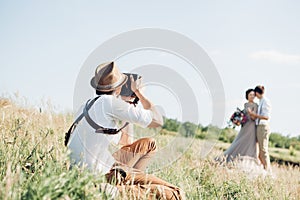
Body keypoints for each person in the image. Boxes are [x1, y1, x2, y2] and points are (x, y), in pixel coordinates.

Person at [67, 62, 185, 199]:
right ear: (117, 89)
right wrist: (139, 93)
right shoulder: (111, 104)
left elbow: (125, 142)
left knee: (149, 144)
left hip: (92, 170)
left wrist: (128, 104)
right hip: (98, 179)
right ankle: (124, 190)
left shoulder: (86, 105)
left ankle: (131, 187)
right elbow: (158, 120)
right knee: (176, 194)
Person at [221, 89, 258, 162]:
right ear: (247, 96)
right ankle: (232, 158)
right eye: (250, 95)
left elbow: (254, 118)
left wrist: (250, 113)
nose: (252, 96)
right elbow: (243, 115)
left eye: (253, 95)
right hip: (244, 125)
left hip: (251, 126)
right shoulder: (245, 104)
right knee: (239, 140)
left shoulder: (255, 105)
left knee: (249, 142)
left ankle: (247, 159)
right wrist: (237, 119)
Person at [248, 85, 272, 171]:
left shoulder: (265, 101)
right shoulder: (261, 101)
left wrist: (254, 115)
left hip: (263, 126)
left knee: (263, 150)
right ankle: (263, 168)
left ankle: (268, 170)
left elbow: (266, 117)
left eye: (255, 94)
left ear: (257, 93)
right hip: (259, 126)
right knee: (258, 150)